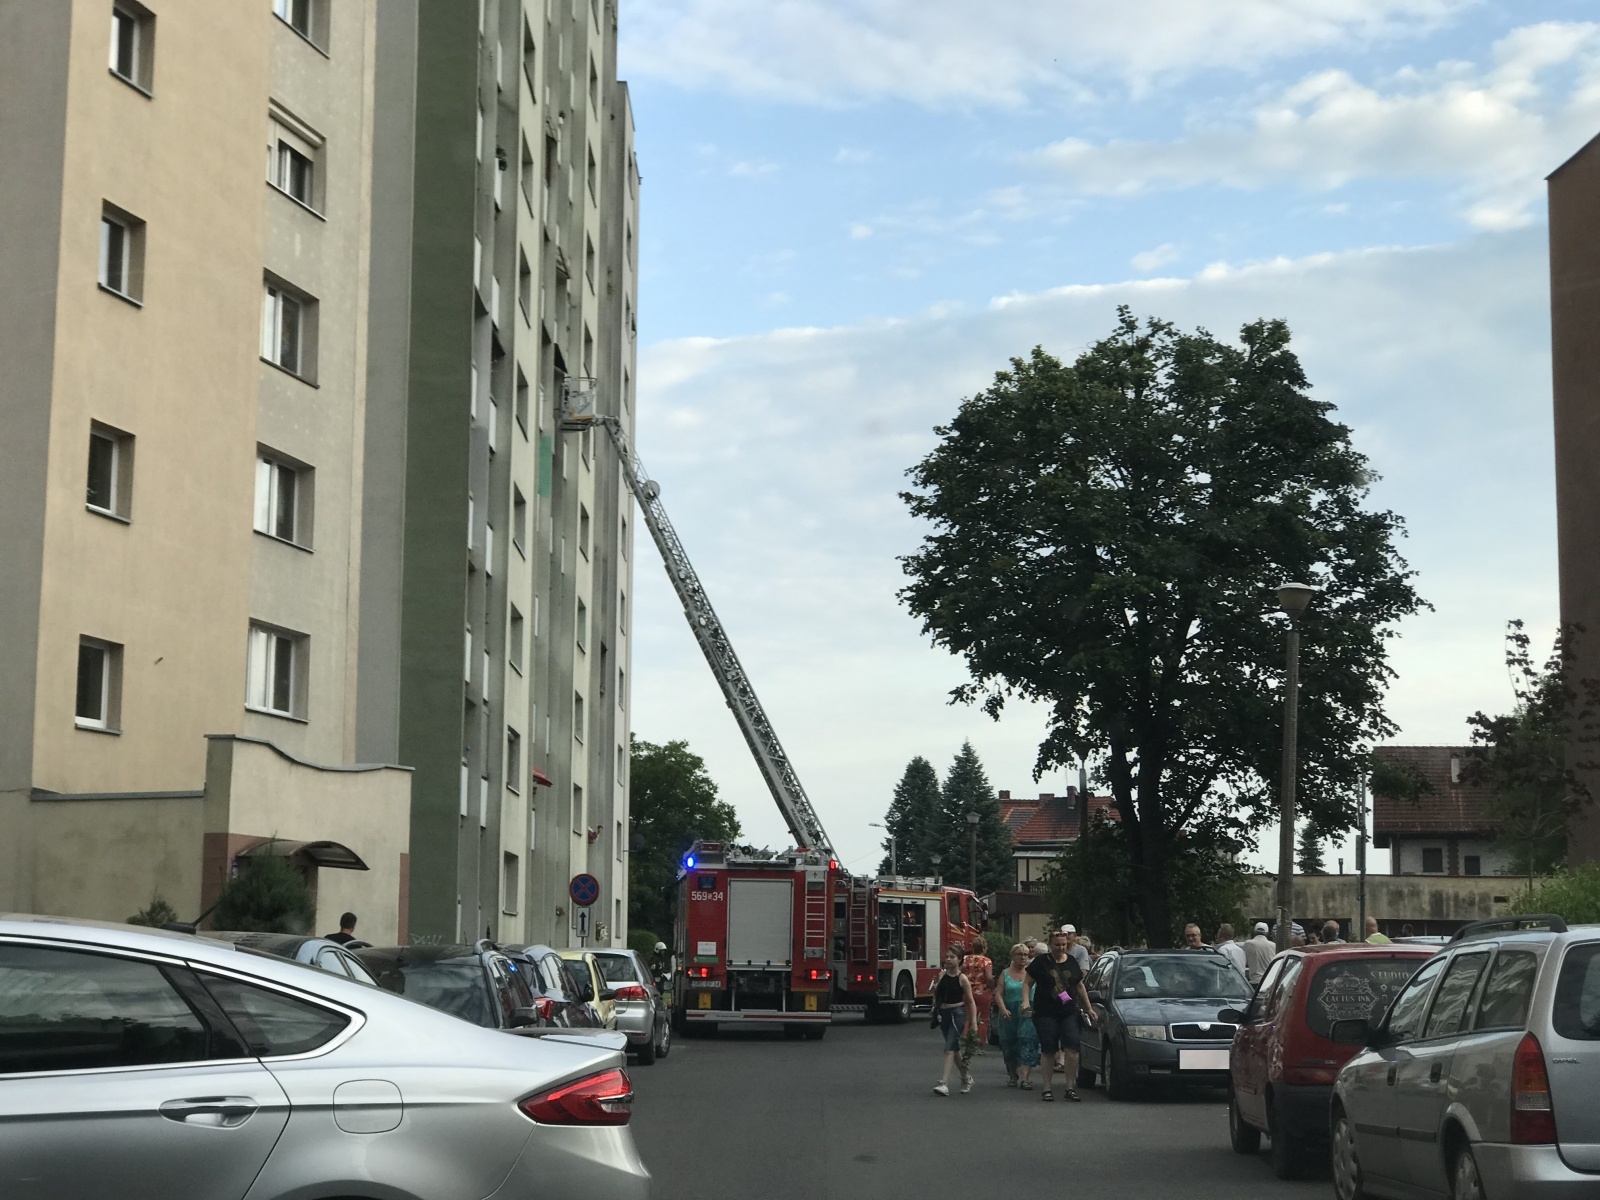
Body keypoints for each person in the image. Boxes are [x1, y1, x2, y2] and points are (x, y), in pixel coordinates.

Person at [1025, 928, 1095, 1102]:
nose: (1061, 948)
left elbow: (1079, 986)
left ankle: (1070, 1086)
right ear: (1050, 945)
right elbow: (1027, 983)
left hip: (1068, 1011)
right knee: (1049, 1049)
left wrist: (1088, 1008)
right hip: (1045, 1011)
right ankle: (1047, 1088)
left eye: (1064, 945)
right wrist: (1025, 1002)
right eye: (1057, 945)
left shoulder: (1071, 961)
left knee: (1072, 1048)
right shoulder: (1041, 962)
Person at [932, 945, 978, 1096]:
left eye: (952, 957)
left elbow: (970, 1002)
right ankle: (966, 1077)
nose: (949, 960)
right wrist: (935, 1007)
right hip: (943, 1013)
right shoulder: (942, 976)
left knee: (949, 1048)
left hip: (957, 1013)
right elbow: (937, 994)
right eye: (947, 957)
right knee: (954, 1048)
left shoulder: (962, 978)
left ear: (959, 960)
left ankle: (944, 1083)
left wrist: (973, 1023)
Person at [993, 943, 1041, 1089]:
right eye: (1020, 954)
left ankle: (1025, 1079)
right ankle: (1013, 1075)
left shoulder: (1032, 973)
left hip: (1027, 1011)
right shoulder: (1005, 973)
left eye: (1026, 955)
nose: (1023, 957)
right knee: (1009, 1045)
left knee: (1028, 1040)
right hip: (1009, 1012)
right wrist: (1003, 1009)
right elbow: (998, 994)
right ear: (1013, 956)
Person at [962, 938, 995, 1061]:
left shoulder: (966, 959)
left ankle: (965, 1041)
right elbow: (989, 978)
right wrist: (993, 988)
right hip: (982, 992)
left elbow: (961, 973)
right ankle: (979, 1045)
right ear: (984, 948)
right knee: (983, 1019)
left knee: (969, 1017)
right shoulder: (986, 961)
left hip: (968, 991)